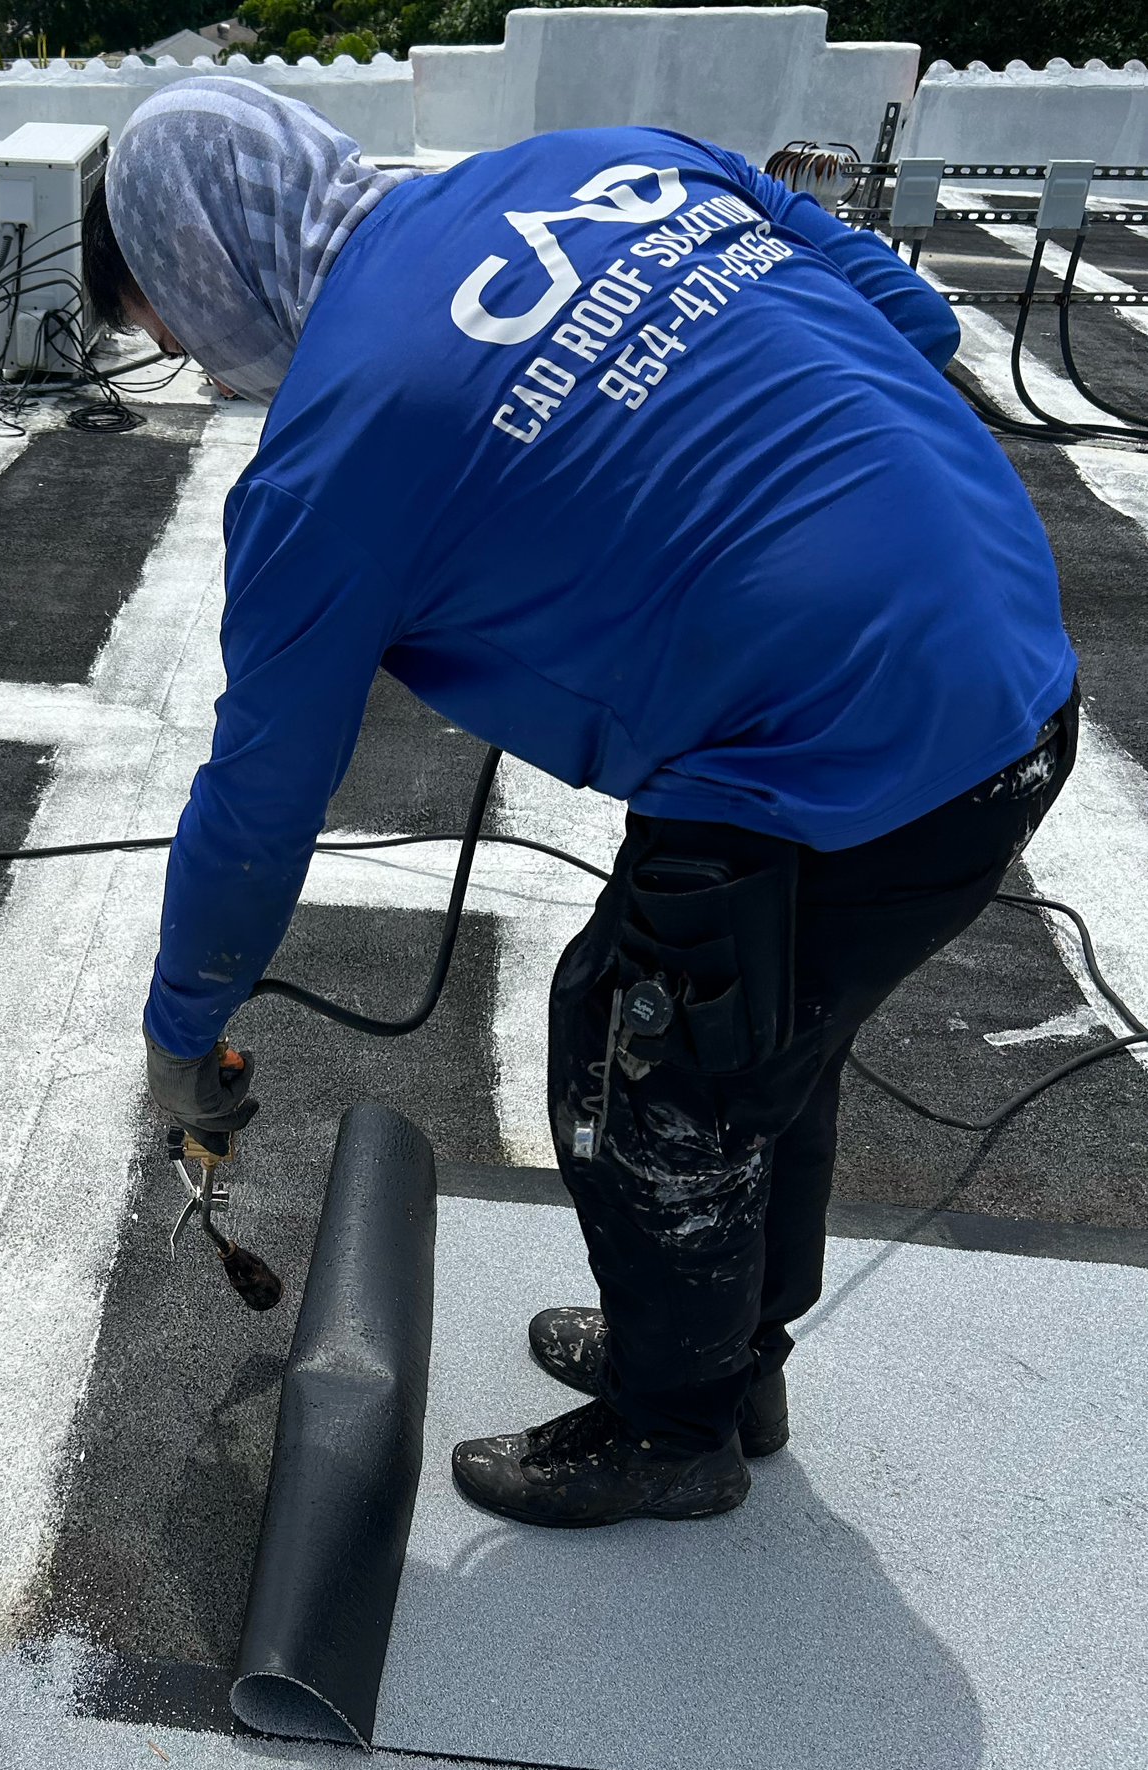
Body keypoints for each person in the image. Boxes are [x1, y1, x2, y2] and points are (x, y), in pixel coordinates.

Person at [87, 76, 1077, 1529]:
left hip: (845, 757)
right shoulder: (607, 156)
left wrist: (183, 1033)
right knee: (761, 1032)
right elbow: (911, 321)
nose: (187, 357)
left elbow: (260, 796)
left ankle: (675, 1427)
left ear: (195, 265)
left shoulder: (334, 453)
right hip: (1015, 663)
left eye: (162, 323)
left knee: (642, 1057)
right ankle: (726, 1356)